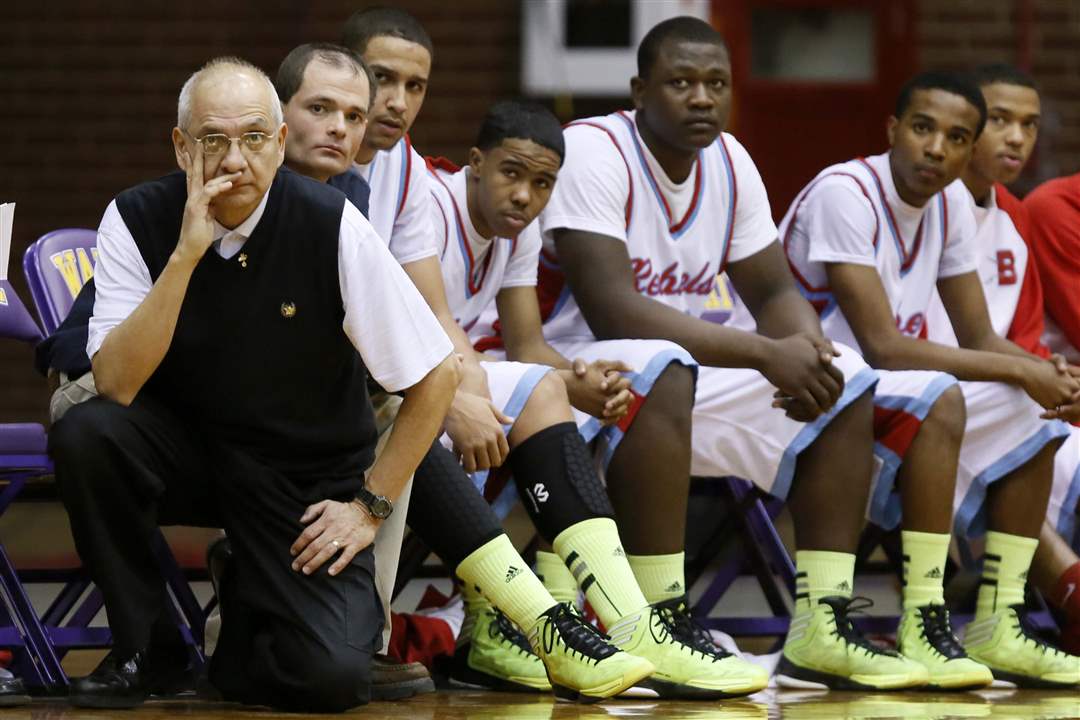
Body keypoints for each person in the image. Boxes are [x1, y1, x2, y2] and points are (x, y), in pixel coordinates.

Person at [48, 57, 462, 712]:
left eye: (254, 138)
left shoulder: (331, 224)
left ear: (277, 142)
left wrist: (368, 507)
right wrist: (186, 255)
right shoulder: (137, 217)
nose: (235, 159)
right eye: (214, 140)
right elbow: (118, 383)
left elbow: (437, 376)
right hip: (188, 453)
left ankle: (245, 607)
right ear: (183, 147)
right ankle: (145, 647)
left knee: (328, 681)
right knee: (87, 432)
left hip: (303, 480)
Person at [539, 16, 930, 691]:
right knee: (662, 365)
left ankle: (821, 626)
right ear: (638, 91)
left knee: (849, 379)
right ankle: (660, 616)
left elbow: (774, 287)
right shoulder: (593, 150)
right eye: (680, 82)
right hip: (574, 366)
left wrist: (806, 354)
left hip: (681, 376)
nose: (701, 98)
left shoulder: (730, 160)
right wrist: (762, 354)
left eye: (715, 83)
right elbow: (612, 308)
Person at [274, 41, 658, 703]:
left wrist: (569, 379)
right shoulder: (405, 187)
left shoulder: (370, 180)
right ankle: (535, 624)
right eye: (381, 81)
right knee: (415, 417)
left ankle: (623, 623)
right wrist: (454, 392)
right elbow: (431, 323)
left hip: (406, 381)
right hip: (370, 393)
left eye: (414, 85)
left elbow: (509, 343)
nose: (395, 101)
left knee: (534, 390)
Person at [427, 99, 770, 698]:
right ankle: (617, 622)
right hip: (411, 382)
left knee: (561, 391)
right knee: (531, 398)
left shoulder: (519, 234)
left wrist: (583, 380)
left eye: (542, 184)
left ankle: (581, 623)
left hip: (473, 377)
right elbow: (422, 334)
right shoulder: (429, 207)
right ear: (476, 163)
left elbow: (529, 345)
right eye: (511, 174)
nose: (524, 196)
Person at [781, 69, 1079, 688]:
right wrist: (1023, 368)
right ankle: (925, 615)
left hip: (879, 393)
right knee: (942, 394)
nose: (937, 148)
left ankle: (1000, 622)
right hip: (796, 385)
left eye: (955, 136)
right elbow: (883, 347)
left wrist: (1040, 376)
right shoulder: (847, 191)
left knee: (1029, 407)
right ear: (892, 129)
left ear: (968, 150)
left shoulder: (949, 207)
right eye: (922, 129)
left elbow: (978, 338)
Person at [924, 63, 1080, 657]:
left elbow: (1022, 341)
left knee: (1029, 409)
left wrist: (1052, 377)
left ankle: (1015, 609)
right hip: (902, 390)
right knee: (1014, 420)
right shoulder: (915, 204)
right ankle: (1060, 595)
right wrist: (1038, 376)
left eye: (1030, 125)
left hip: (987, 389)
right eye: (1000, 121)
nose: (1016, 137)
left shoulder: (1014, 216)